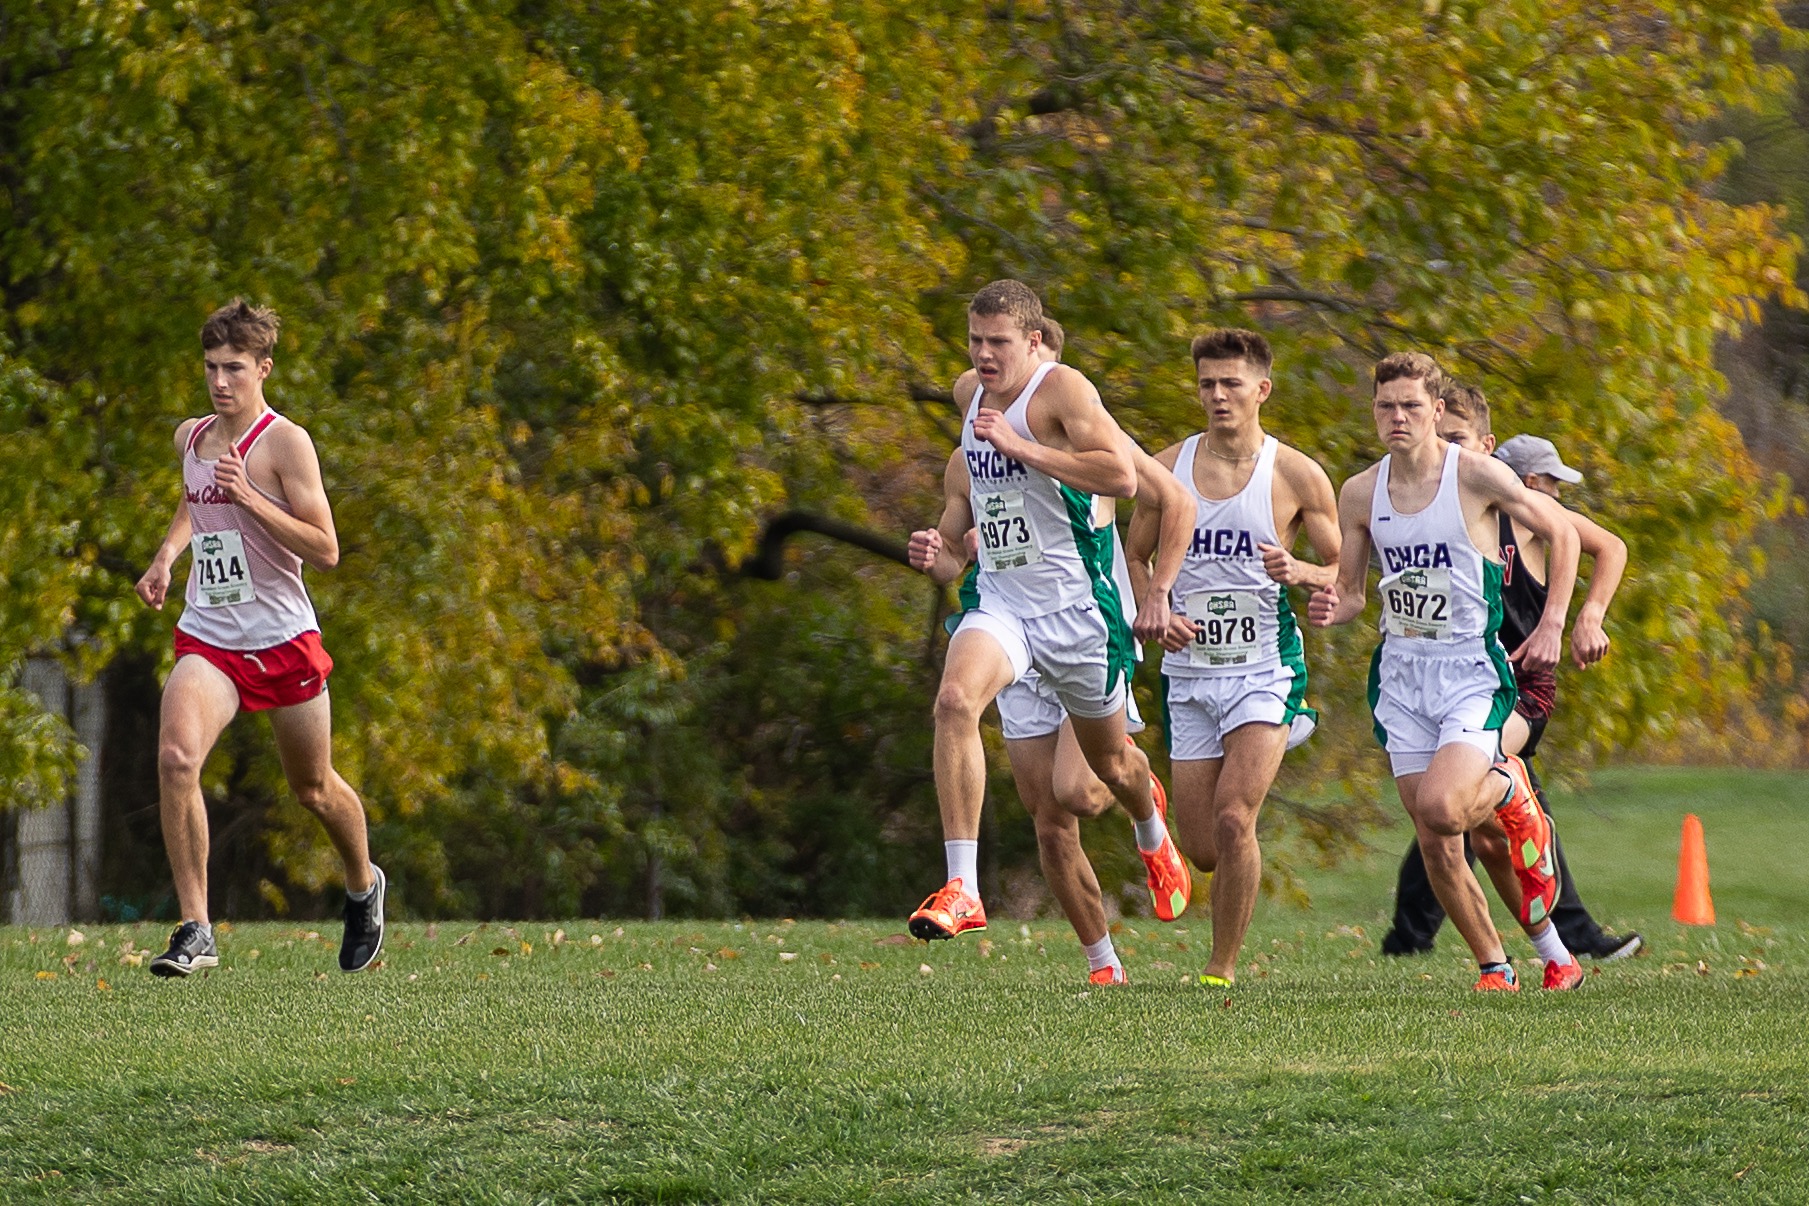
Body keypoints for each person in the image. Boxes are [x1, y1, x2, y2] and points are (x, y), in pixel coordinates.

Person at [905, 280, 1193, 942]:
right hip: (1005, 604)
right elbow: (955, 548)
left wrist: (1155, 592)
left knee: (1100, 776)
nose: (982, 355)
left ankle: (1148, 816)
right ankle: (963, 888)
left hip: (1078, 615)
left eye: (997, 342)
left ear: (1034, 343)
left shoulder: (1063, 393)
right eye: (975, 340)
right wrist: (938, 553)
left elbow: (1128, 481)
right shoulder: (966, 396)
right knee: (953, 702)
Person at [1309, 352, 1585, 991]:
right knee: (1435, 836)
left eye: (1410, 405)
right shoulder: (1359, 491)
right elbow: (1352, 591)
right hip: (1402, 679)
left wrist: (1552, 625)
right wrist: (1331, 603)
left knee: (1444, 807)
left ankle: (1513, 791)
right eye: (1386, 406)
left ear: (1437, 410)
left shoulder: (1477, 476)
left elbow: (1565, 537)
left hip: (1470, 673)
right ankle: (1516, 964)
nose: (1397, 417)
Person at [134, 299, 384, 977]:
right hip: (208, 636)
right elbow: (194, 498)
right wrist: (166, 555)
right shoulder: (192, 436)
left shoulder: (284, 443)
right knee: (178, 759)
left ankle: (363, 886)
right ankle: (196, 928)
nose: (220, 381)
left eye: (235, 368)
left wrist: (251, 499)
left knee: (312, 789)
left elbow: (327, 549)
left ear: (263, 368)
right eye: (212, 367)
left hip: (281, 638)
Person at [1380, 390, 1639, 960]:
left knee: (1449, 805)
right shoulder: (1421, 505)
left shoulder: (1514, 508)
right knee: (1482, 836)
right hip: (1449, 683)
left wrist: (1577, 620)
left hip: (1519, 688)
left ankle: (1427, 928)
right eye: (1437, 438)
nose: (1441, 450)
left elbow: (1609, 547)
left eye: (1456, 440)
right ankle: (1555, 951)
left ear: (1486, 447)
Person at [1126, 329, 1341, 987]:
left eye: (1230, 384)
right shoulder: (1166, 470)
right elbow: (1131, 554)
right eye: (1205, 384)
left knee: (1232, 816)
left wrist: (1299, 569)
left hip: (1265, 667)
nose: (1216, 396)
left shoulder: (1295, 474)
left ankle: (1219, 967)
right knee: (1201, 848)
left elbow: (1340, 567)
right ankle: (1160, 807)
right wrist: (1152, 610)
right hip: (1190, 673)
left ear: (1261, 390)